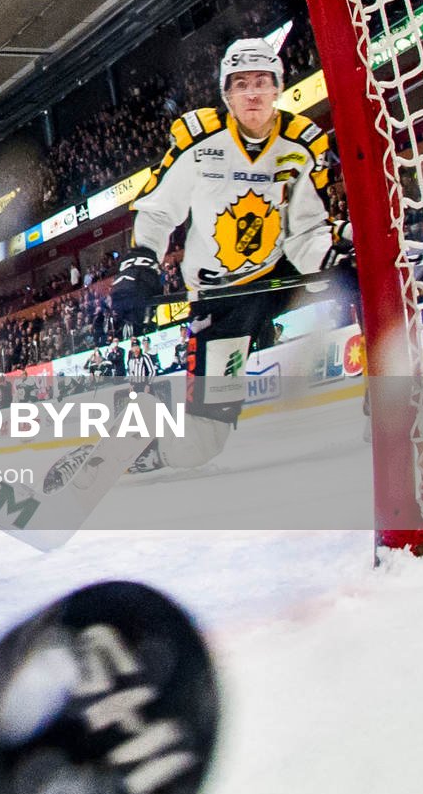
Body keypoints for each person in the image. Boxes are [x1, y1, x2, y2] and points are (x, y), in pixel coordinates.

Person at [107, 37, 349, 470]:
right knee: (202, 443)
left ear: (278, 87)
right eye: (241, 84)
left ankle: (393, 404)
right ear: (226, 94)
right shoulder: (200, 143)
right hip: (221, 299)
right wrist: (142, 257)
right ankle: (138, 453)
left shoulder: (299, 145)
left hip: (280, 279)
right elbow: (160, 211)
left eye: (262, 81)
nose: (252, 92)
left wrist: (331, 261)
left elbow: (307, 229)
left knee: (365, 280)